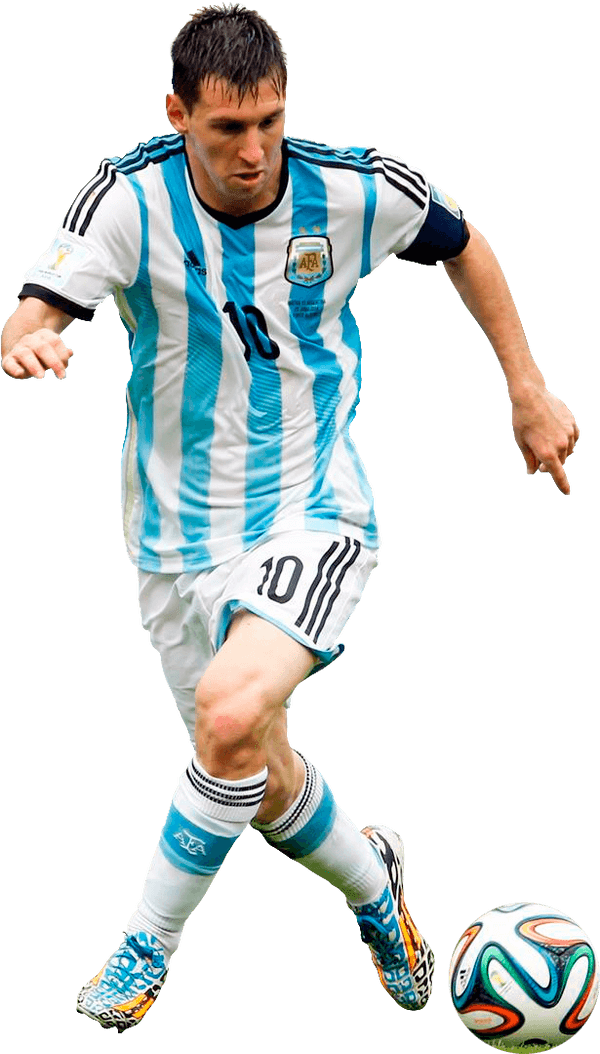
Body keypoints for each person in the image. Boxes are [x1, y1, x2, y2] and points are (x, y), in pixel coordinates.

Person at [1, 3, 579, 1035]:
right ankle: (376, 889)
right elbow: (37, 304)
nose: (255, 149)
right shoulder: (129, 200)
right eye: (228, 128)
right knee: (254, 772)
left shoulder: (351, 189)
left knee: (227, 718)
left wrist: (526, 388)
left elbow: (466, 244)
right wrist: (24, 337)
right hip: (173, 541)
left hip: (310, 512)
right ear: (178, 114)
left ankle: (146, 943)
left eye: (270, 120)